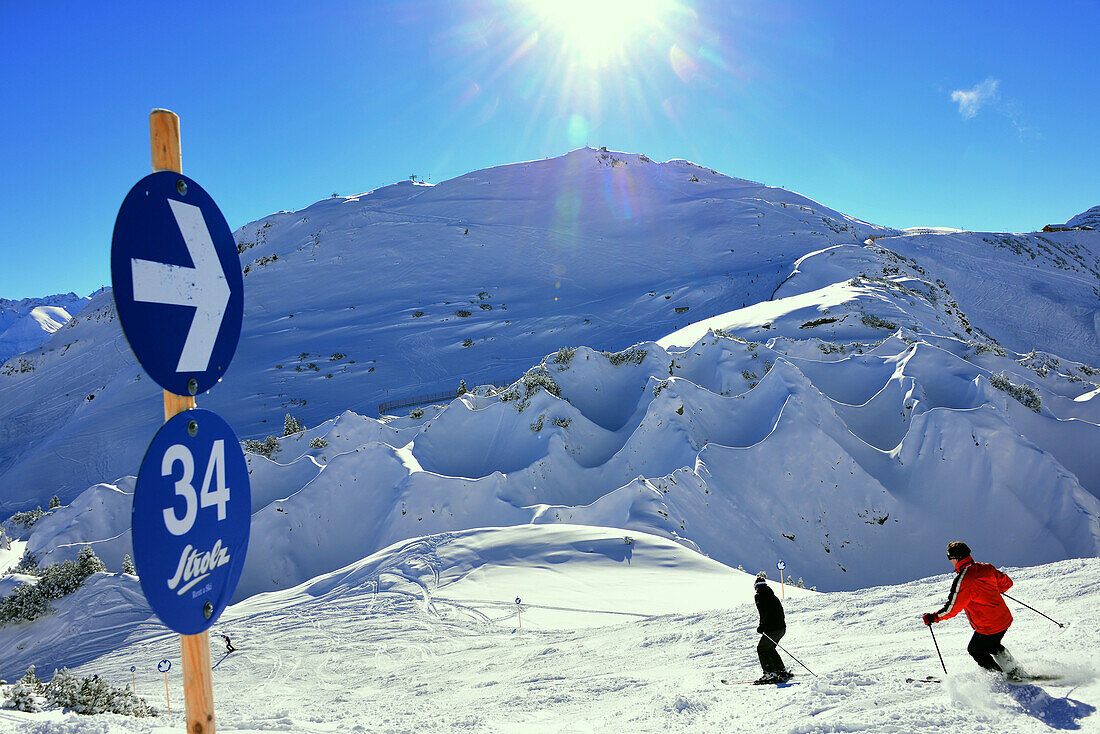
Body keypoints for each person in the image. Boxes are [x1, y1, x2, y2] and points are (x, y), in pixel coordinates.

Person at [923, 541, 1024, 678]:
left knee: (975, 650)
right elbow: (1007, 583)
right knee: (992, 645)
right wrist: (992, 590)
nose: (950, 561)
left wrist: (933, 617)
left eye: (950, 558)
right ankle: (1014, 670)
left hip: (988, 625)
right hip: (1004, 619)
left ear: (956, 559)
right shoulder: (986, 568)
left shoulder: (964, 579)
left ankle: (998, 677)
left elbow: (952, 609)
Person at [754, 572, 792, 684]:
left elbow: (763, 613)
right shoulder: (772, 595)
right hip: (781, 628)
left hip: (773, 629)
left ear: (757, 586)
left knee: (761, 649)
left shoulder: (759, 596)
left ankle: (769, 673)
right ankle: (781, 671)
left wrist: (762, 626)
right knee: (770, 649)